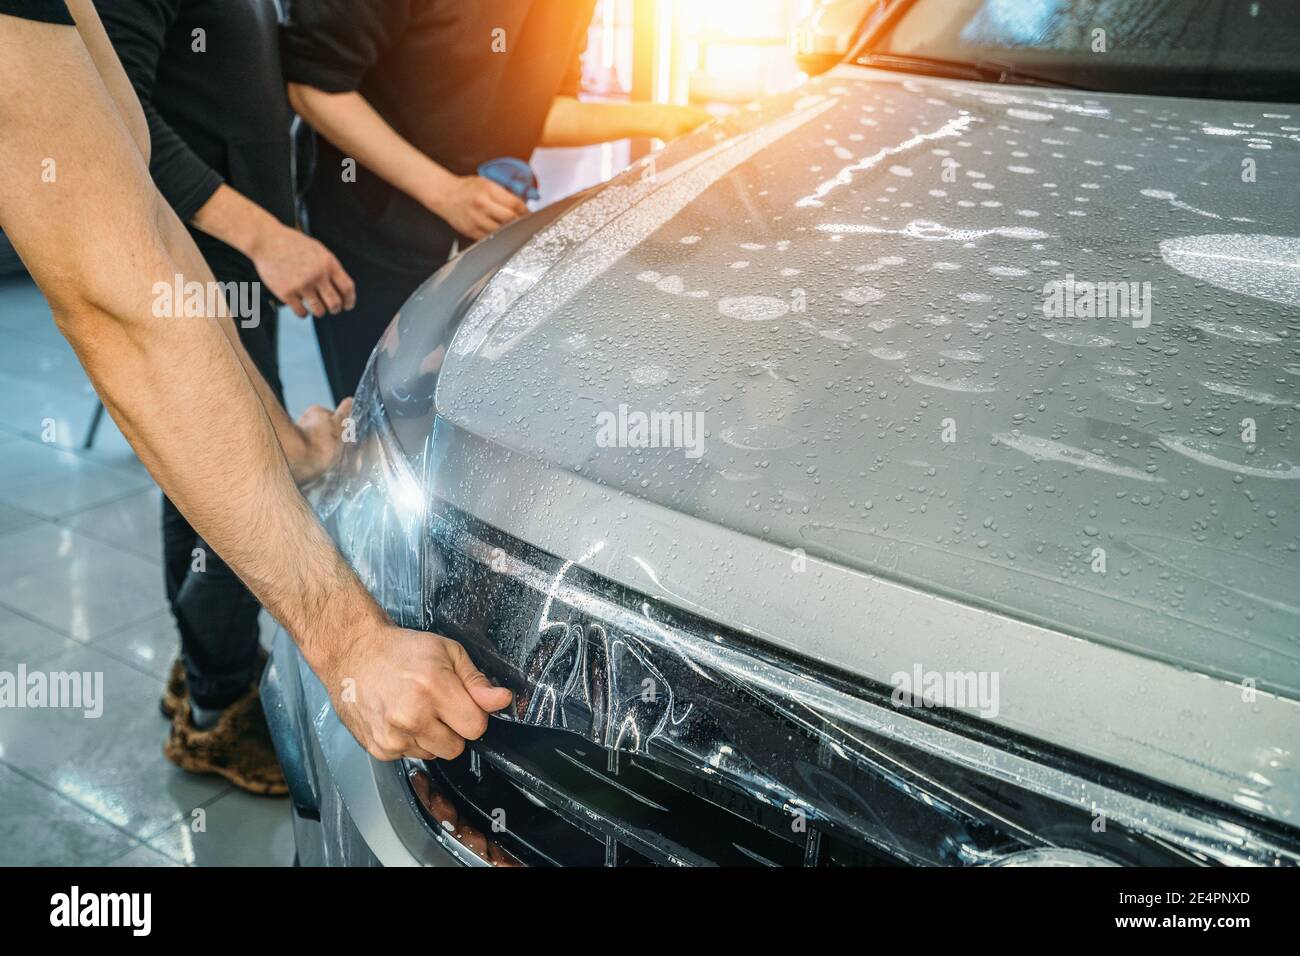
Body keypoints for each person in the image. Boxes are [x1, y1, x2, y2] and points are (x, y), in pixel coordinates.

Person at [0, 0, 512, 775]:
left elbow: (142, 209)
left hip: (203, 276)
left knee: (228, 441)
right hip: (194, 273)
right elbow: (119, 307)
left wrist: (286, 443)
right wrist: (349, 641)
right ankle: (218, 698)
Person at [94, 0, 358, 794]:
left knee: (211, 473)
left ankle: (213, 671)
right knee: (230, 474)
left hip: (232, 261)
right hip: (193, 258)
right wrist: (263, 234)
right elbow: (117, 122)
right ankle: (219, 709)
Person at [281, 0, 712, 402]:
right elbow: (314, 85)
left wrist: (662, 119)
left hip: (475, 234)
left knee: (462, 399)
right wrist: (446, 192)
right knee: (382, 406)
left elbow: (533, 110)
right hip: (370, 223)